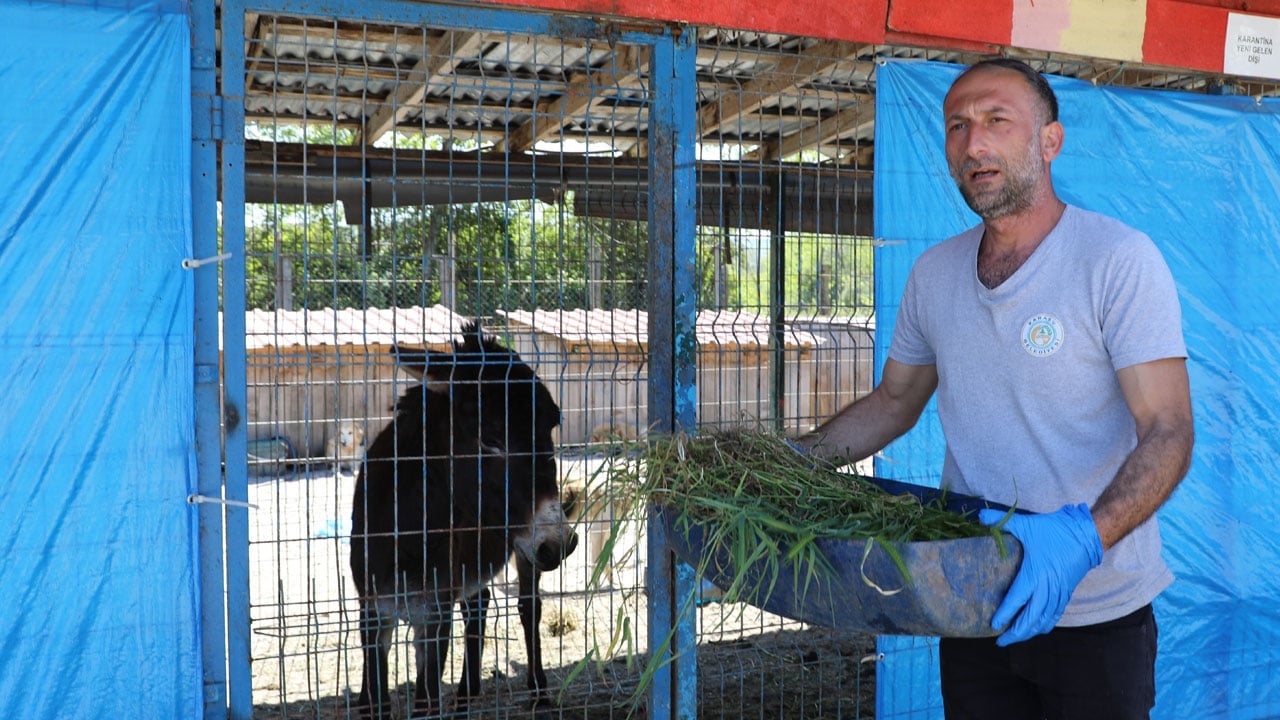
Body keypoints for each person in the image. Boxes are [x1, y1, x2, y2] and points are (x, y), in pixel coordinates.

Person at [797, 58, 1194, 719]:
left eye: (996, 120)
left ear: (1049, 140)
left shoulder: (1115, 260)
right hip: (974, 598)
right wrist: (792, 463)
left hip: (1094, 608)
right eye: (957, 126)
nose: (973, 143)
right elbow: (894, 403)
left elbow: (1169, 428)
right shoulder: (935, 273)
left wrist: (1083, 540)